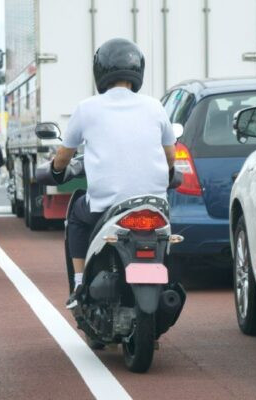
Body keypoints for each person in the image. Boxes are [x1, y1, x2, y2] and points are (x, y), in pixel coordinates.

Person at [52, 38, 176, 309]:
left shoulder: (87, 108)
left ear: (100, 71)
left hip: (105, 205)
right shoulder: (155, 106)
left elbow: (64, 156)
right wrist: (170, 173)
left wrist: (55, 170)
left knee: (76, 215)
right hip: (154, 203)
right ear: (137, 71)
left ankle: (80, 281)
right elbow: (170, 156)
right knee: (165, 237)